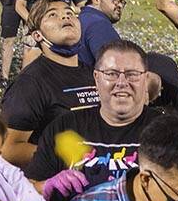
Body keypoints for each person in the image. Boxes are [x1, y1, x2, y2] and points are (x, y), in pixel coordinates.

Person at [26, 39, 160, 192]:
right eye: (111, 74)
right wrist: (46, 187)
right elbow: (26, 191)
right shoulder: (64, 127)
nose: (122, 83)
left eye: (132, 74)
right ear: (96, 78)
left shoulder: (169, 131)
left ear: (145, 79)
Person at [1, 0, 98, 167]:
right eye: (52, 15)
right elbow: (8, 149)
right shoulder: (30, 83)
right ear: (37, 35)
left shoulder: (94, 73)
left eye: (69, 13)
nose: (65, 17)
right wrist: (62, 155)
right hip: (56, 179)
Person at [77, 0, 130, 68]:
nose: (120, 5)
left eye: (121, 1)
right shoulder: (98, 24)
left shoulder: (83, 18)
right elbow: (115, 66)